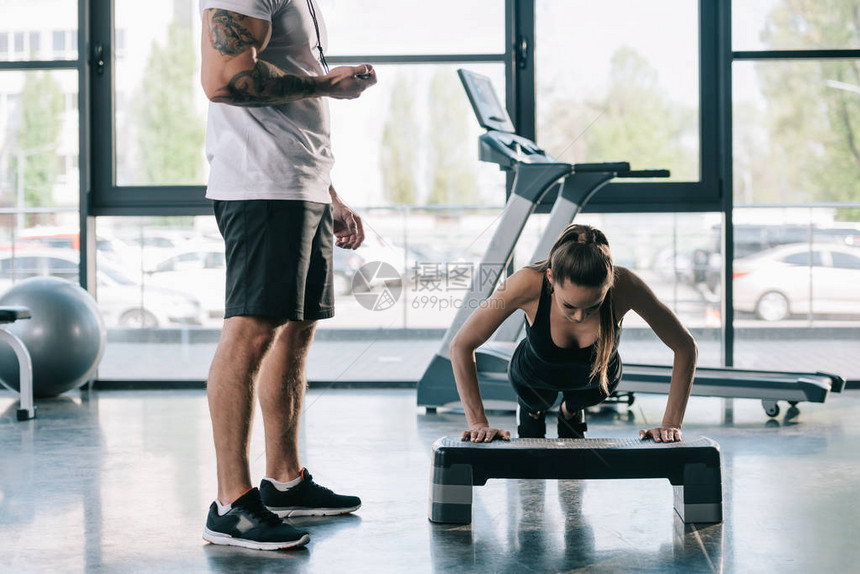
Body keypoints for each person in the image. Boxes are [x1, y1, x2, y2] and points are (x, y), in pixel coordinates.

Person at [198, 0, 377, 551]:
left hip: (300, 182)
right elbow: (226, 80)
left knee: (295, 329)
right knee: (251, 331)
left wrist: (329, 192)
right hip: (261, 185)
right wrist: (326, 85)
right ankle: (231, 504)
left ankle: (284, 480)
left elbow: (286, 92)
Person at [450, 224, 697, 444]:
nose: (579, 317)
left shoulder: (627, 286)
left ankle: (570, 412)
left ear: (609, 283)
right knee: (536, 403)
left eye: (593, 306)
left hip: (595, 383)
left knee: (579, 402)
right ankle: (533, 412)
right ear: (550, 279)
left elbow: (685, 347)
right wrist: (478, 424)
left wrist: (671, 424)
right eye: (569, 305)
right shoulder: (526, 283)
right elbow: (461, 345)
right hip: (532, 378)